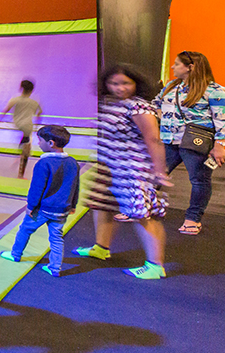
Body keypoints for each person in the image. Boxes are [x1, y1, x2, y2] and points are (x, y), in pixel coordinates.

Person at [74, 65, 171, 280]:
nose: (119, 88)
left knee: (143, 215)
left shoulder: (139, 107)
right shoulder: (113, 104)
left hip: (132, 170)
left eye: (125, 83)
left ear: (136, 84)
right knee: (102, 206)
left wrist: (159, 170)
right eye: (114, 83)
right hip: (110, 166)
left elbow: (153, 139)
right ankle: (101, 248)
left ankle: (156, 265)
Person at [153, 51, 225, 236]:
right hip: (169, 140)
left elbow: (222, 120)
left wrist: (220, 146)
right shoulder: (171, 86)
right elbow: (155, 104)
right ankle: (142, 209)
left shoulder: (215, 91)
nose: (173, 67)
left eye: (177, 64)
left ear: (190, 67)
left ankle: (193, 218)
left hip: (195, 143)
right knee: (154, 175)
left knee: (199, 180)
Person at [0, 125, 81, 276]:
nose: (38, 144)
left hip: (43, 208)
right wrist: (73, 204)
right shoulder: (72, 163)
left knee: (25, 229)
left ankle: (16, 254)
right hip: (62, 209)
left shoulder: (44, 163)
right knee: (56, 237)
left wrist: (31, 206)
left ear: (51, 143)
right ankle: (55, 267)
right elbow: (76, 185)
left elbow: (37, 187)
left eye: (40, 141)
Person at [1, 80, 43, 178]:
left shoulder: (14, 99)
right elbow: (39, 113)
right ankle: (21, 174)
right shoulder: (34, 101)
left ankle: (20, 153)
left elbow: (5, 110)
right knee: (26, 151)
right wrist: (37, 124)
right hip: (27, 127)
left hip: (17, 125)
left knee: (24, 140)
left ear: (21, 88)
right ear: (32, 90)